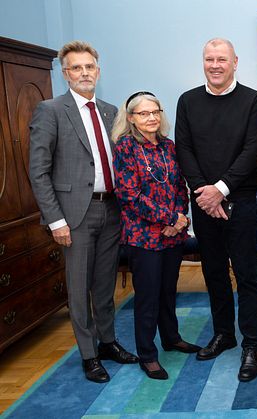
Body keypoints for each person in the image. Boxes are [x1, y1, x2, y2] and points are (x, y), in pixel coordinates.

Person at [28, 40, 138, 383]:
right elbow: (38, 170)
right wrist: (55, 220)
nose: (84, 73)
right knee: (78, 288)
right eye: (77, 68)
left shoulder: (109, 111)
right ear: (66, 74)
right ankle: (89, 354)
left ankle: (108, 342)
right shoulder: (51, 110)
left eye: (89, 67)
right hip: (74, 215)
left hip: (111, 211)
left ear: (98, 71)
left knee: (105, 285)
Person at [175, 38, 257, 382]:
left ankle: (253, 343)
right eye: (209, 59)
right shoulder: (187, 101)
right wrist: (204, 192)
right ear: (203, 62)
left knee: (246, 275)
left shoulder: (252, 101)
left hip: (240, 200)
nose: (215, 65)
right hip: (202, 201)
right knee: (213, 272)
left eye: (222, 59)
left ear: (235, 62)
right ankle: (224, 334)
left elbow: (253, 149)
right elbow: (183, 148)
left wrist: (221, 189)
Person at [111, 91, 201, 380]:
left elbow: (179, 187)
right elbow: (129, 195)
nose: (151, 118)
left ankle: (171, 338)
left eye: (155, 112)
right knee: (148, 296)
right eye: (143, 113)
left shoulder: (168, 146)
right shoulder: (125, 147)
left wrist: (179, 219)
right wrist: (169, 217)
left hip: (172, 235)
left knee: (167, 291)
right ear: (131, 118)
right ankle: (147, 355)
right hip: (144, 237)